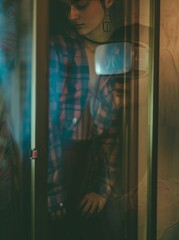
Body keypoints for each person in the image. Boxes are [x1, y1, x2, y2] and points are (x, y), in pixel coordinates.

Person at [48, 0, 126, 239]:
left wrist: (102, 187)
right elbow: (44, 125)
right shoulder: (59, 48)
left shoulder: (117, 52)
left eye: (81, 4)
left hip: (91, 163)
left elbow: (113, 129)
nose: (72, 15)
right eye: (67, 6)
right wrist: (53, 192)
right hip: (56, 161)